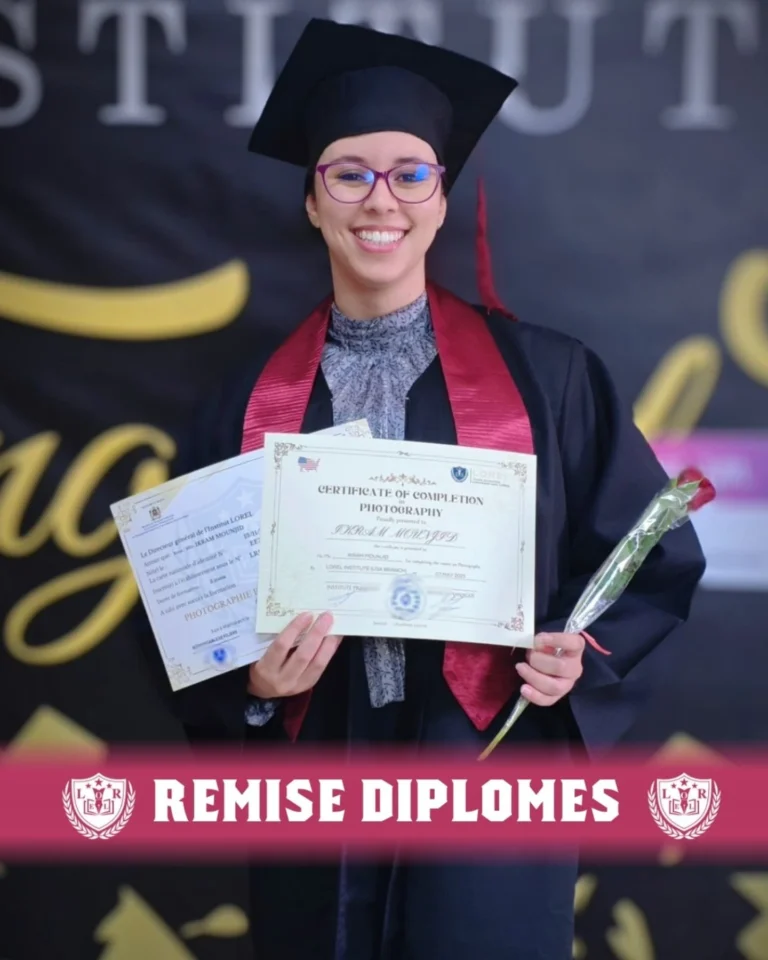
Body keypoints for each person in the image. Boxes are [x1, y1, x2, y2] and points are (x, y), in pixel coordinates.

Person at [138, 17, 706, 960]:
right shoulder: (241, 406)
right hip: (319, 779)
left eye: (410, 174)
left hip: (487, 766)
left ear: (442, 201)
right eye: (348, 174)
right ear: (312, 202)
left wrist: (578, 656)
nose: (381, 200)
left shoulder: (551, 380)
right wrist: (252, 685)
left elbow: (646, 562)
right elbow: (184, 614)